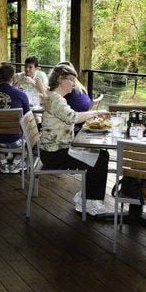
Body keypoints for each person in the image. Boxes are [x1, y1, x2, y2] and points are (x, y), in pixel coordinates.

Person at [40, 63, 111, 215]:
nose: (73, 83)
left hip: (56, 149)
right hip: (54, 154)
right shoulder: (56, 99)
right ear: (60, 79)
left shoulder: (55, 97)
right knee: (100, 160)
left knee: (103, 155)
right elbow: (73, 117)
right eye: (71, 79)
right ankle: (90, 203)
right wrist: (97, 113)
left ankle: (86, 198)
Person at [0, 64, 30, 173]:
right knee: (28, 131)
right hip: (13, 140)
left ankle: (3, 162)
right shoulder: (21, 94)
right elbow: (27, 118)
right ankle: (17, 162)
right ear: (12, 77)